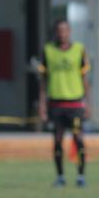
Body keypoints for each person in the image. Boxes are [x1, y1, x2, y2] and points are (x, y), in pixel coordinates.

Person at [37, 20, 91, 188]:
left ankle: (81, 176)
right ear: (56, 32)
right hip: (56, 104)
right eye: (59, 31)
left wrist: (87, 102)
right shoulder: (48, 51)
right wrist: (42, 104)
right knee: (58, 140)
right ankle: (60, 176)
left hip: (75, 104)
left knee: (78, 139)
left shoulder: (79, 50)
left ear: (70, 31)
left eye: (65, 30)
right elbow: (43, 81)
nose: (62, 34)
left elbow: (84, 78)